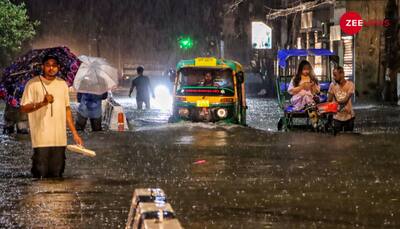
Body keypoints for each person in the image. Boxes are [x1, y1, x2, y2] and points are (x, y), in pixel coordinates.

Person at [20, 54, 83, 178]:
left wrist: (75, 133)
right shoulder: (32, 84)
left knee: (57, 175)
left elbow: (67, 109)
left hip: (59, 139)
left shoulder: (63, 85)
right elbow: (24, 108)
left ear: (58, 67)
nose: (51, 68)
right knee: (40, 175)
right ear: (43, 67)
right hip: (41, 139)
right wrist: (42, 103)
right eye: (48, 65)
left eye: (54, 65)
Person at [328, 66, 355, 132]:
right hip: (337, 117)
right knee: (337, 139)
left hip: (349, 116)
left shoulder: (350, 85)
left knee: (349, 138)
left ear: (342, 74)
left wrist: (336, 102)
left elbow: (345, 100)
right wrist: (331, 88)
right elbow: (329, 100)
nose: (334, 77)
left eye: (335, 75)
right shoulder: (332, 85)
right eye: (333, 75)